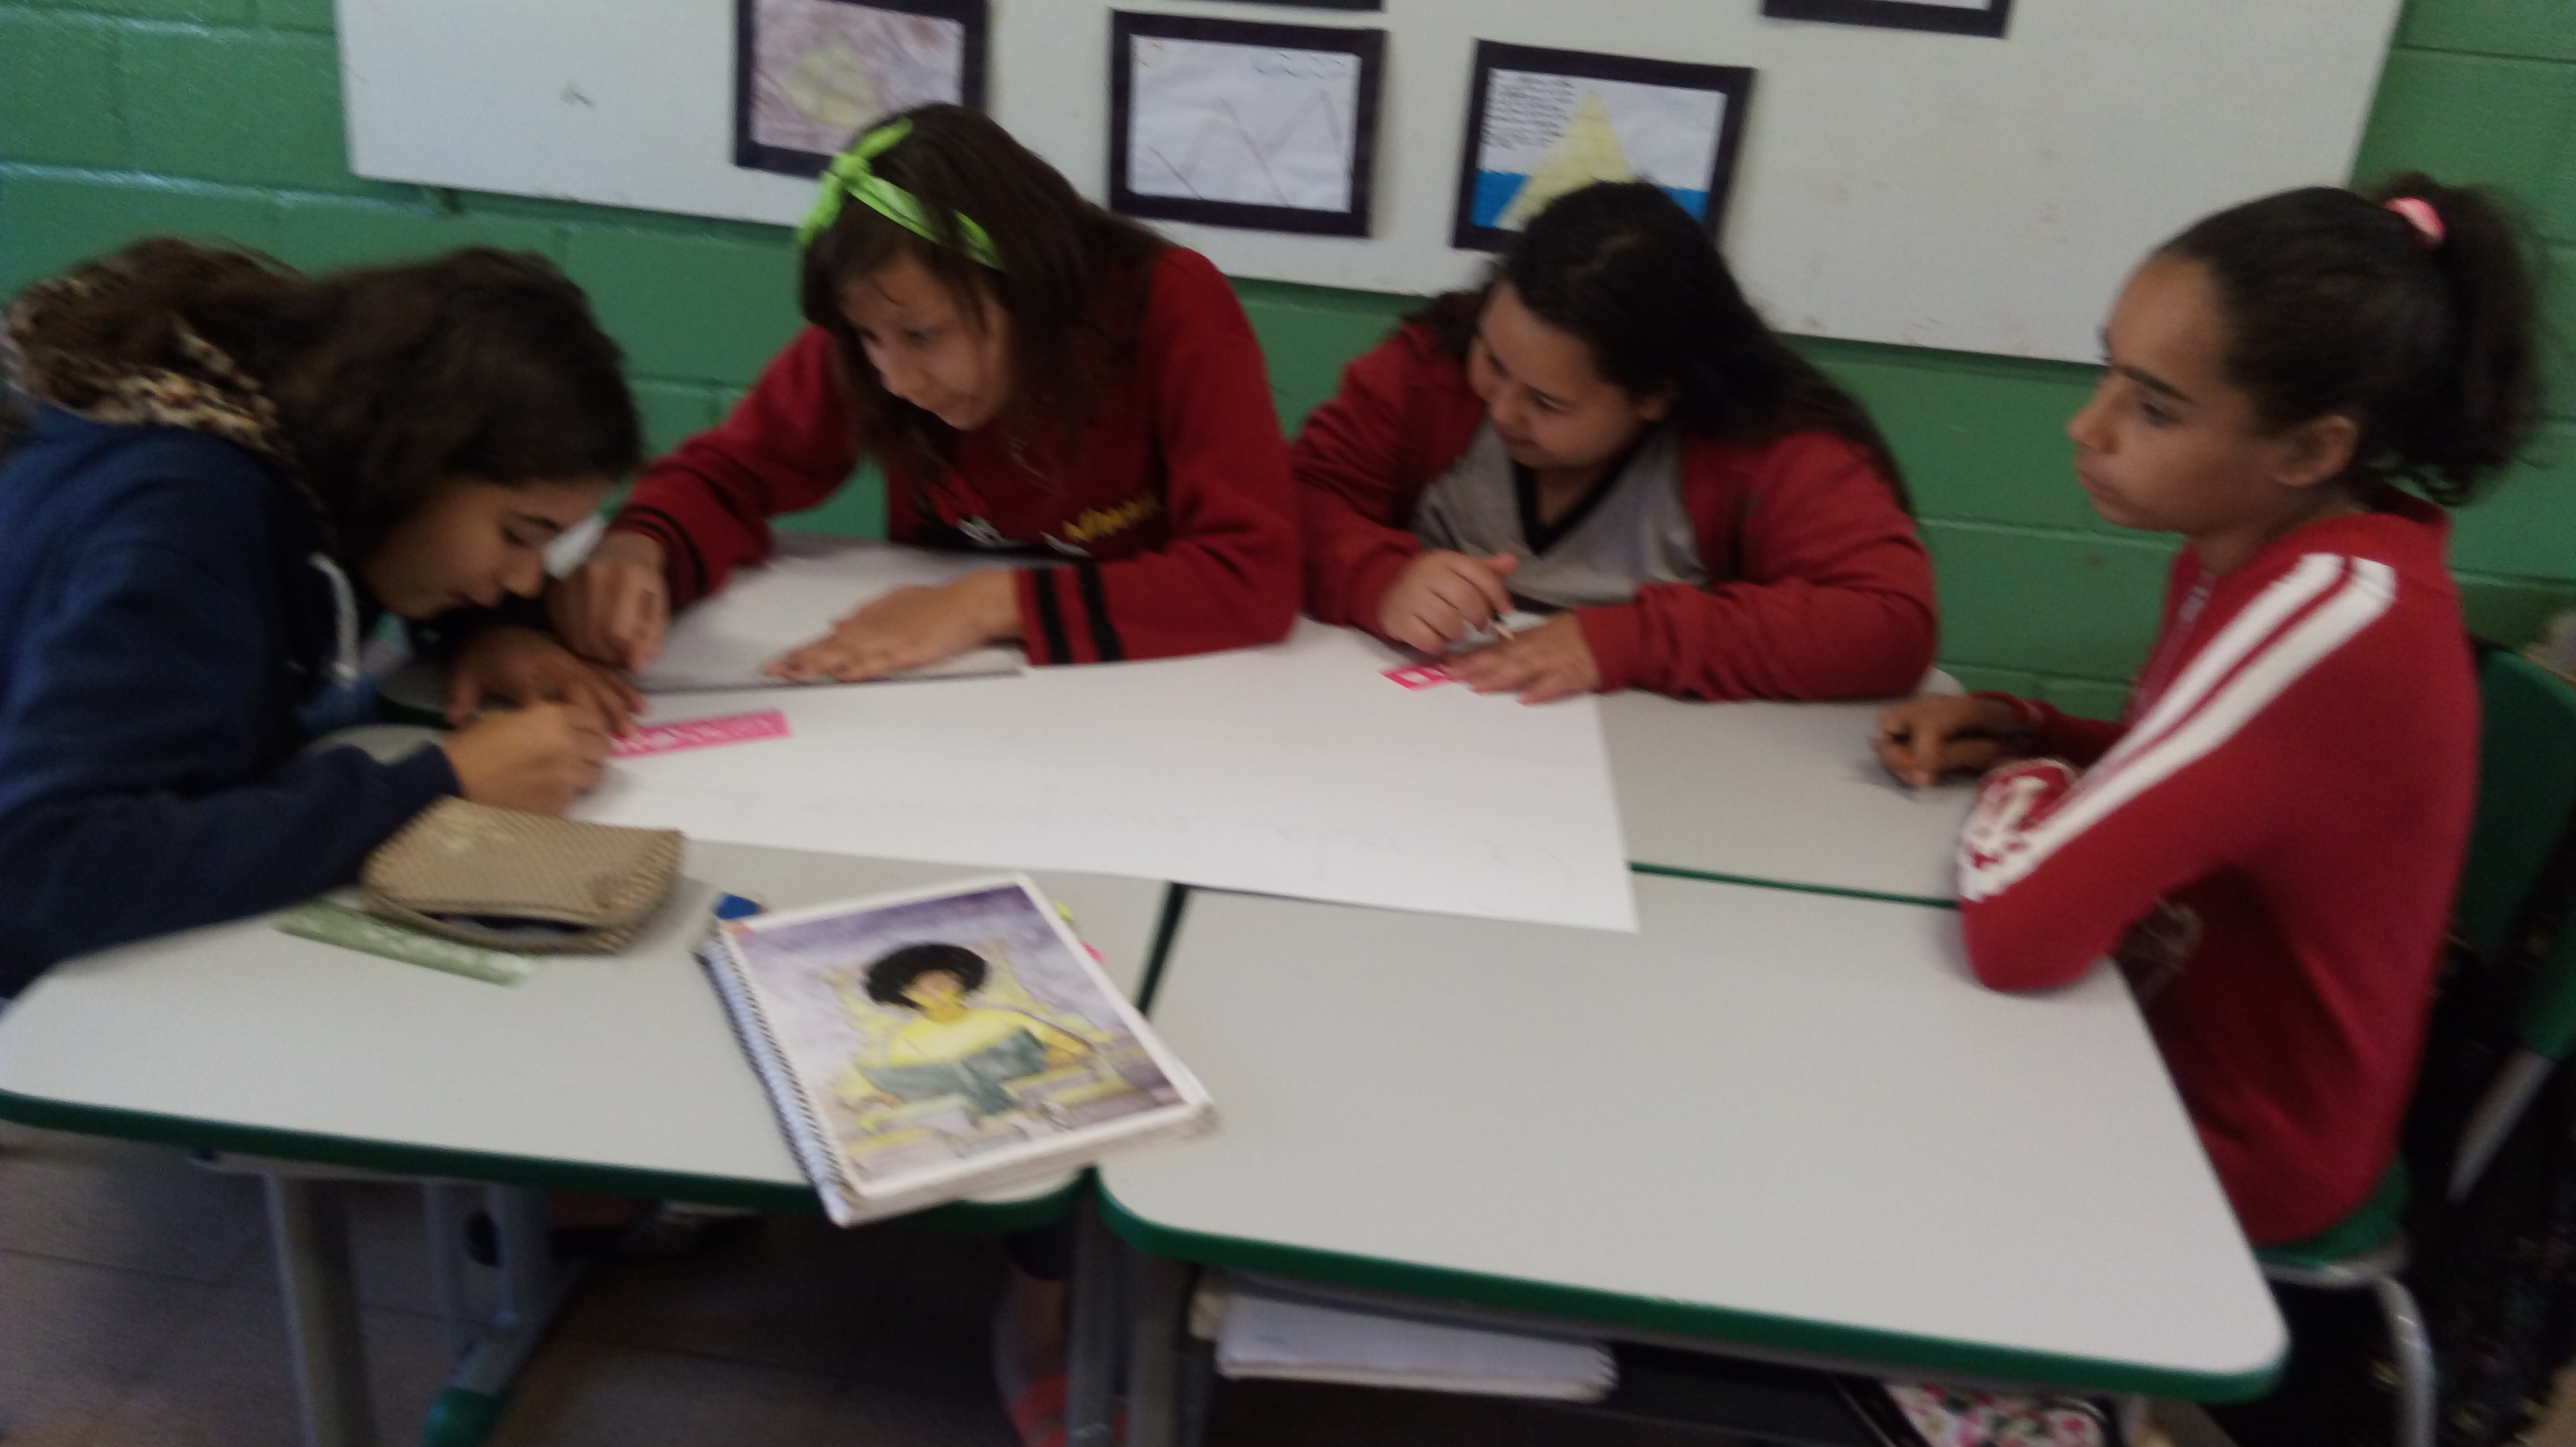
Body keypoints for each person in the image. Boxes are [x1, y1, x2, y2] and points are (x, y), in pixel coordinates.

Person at [1873, 175, 2543, 1441]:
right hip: (2153, 1033)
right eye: (2108, 374)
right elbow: (2206, 774)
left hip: (2238, 1131)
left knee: (1845, 1140)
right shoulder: (2261, 549)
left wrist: (2036, 782)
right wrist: (2030, 728)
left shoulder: (2330, 614)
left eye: (2153, 407)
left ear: (2309, 449)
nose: (2087, 426)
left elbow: (2021, 932)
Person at [0, 239, 646, 990]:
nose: (526, 577)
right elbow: (37, 874)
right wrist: (437, 788)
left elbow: (406, 542)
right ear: (410, 460)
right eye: (517, 535)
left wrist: (491, 625)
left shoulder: (298, 420)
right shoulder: (184, 533)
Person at [550, 104, 1299, 681]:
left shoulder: (1168, 307)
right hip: (958, 693)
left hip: (1157, 689)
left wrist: (986, 603)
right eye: (866, 338)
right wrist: (640, 545)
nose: (895, 379)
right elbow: (728, 473)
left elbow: (1253, 574)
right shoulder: (883, 322)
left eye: (923, 337)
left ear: (1024, 287)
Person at [1294, 180, 1936, 703]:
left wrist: (1628, 641)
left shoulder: (1766, 442)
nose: (1501, 409)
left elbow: (1889, 623)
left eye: (1547, 402)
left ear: (1655, 395)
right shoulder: (1426, 370)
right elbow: (1296, 500)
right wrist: (1378, 578)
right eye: (1491, 359)